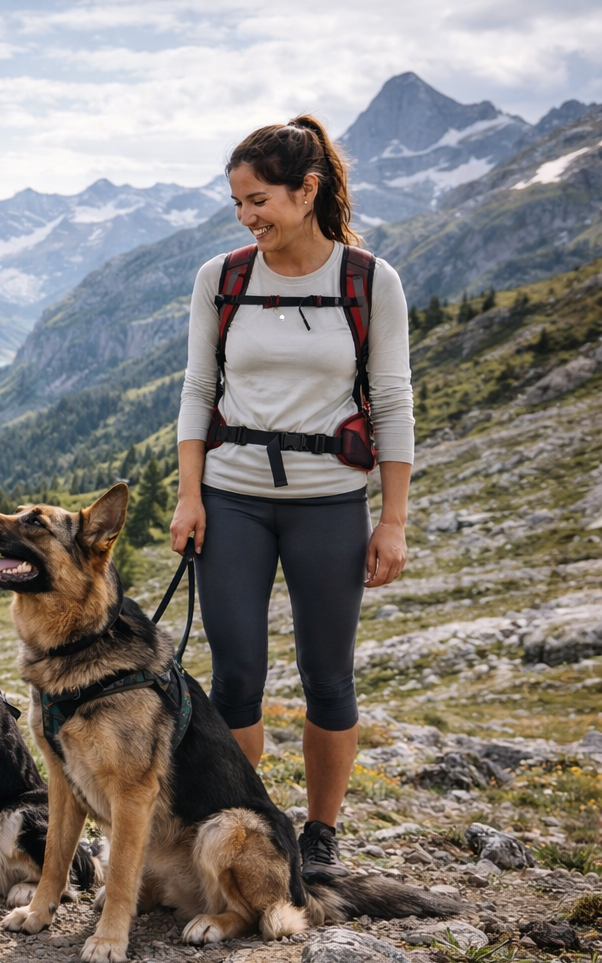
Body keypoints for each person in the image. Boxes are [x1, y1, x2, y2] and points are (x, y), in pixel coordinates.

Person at [169, 117, 413, 877]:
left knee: (328, 676)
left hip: (330, 503)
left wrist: (393, 519)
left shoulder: (368, 280)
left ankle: (322, 834)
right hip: (231, 499)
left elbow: (393, 402)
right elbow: (198, 390)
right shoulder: (223, 277)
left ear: (307, 192)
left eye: (259, 200)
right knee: (236, 676)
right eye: (238, 203)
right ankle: (247, 826)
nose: (248, 217)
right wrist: (189, 496)